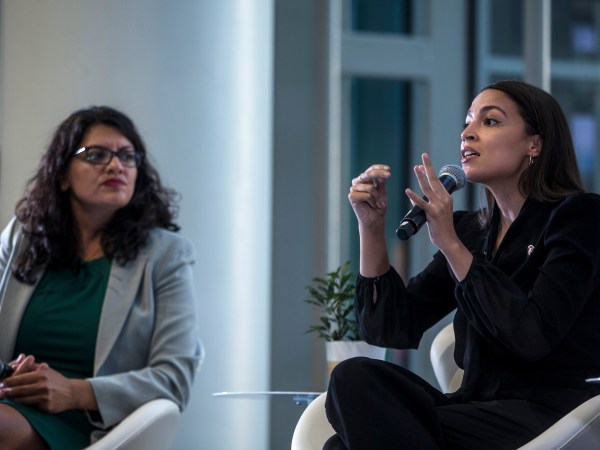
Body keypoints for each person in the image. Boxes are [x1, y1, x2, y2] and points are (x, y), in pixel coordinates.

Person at [324, 80, 600, 449]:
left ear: (534, 144)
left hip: (549, 414)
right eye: (468, 121)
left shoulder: (578, 216)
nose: (467, 133)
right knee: (354, 377)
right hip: (475, 408)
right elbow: (390, 329)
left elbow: (531, 336)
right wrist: (371, 228)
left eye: (490, 122)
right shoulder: (474, 231)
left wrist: (450, 244)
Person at [0, 106, 202, 450]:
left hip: (94, 426)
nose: (115, 165)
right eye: (96, 155)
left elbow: (175, 377)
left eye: (127, 156)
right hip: (10, 403)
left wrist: (74, 392)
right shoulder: (22, 237)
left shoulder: (166, 255)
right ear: (62, 174)